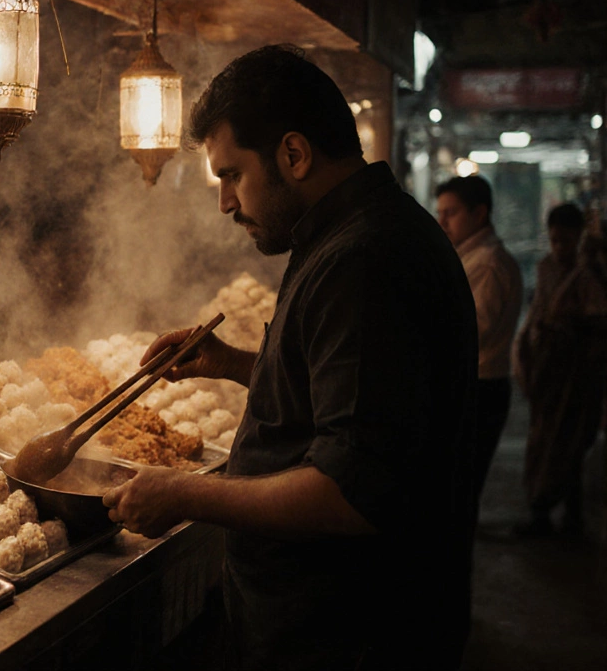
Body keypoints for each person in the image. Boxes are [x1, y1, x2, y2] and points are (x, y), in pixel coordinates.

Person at [103, 45, 478, 669]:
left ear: (294, 154)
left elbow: (350, 492)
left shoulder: (365, 260)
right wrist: (233, 363)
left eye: (231, 175)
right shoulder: (352, 231)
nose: (225, 203)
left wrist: (186, 495)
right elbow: (354, 396)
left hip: (349, 636)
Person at [513, 203, 607, 536]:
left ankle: (570, 514)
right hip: (548, 370)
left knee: (571, 443)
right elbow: (537, 314)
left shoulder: (589, 274)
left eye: (566, 241)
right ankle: (541, 511)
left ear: (579, 238)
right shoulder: (545, 268)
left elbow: (598, 321)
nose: (559, 248)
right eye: (554, 241)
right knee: (543, 440)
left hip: (578, 373)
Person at [435, 175, 523, 514]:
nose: (442, 221)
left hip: (479, 388)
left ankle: (453, 566)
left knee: (457, 492)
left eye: (451, 212)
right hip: (474, 385)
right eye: (440, 212)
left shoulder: (487, 263)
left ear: (480, 213)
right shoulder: (470, 257)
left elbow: (472, 330)